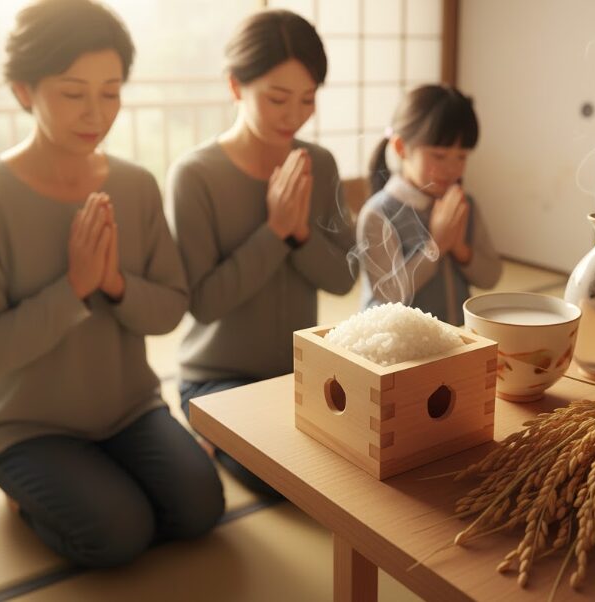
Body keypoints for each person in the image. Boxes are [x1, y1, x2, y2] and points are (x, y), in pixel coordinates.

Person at [0, 0, 224, 568]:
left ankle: (100, 482)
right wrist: (73, 288)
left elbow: (171, 307)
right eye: (73, 93)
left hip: (128, 409)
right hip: (26, 425)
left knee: (201, 508)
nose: (96, 113)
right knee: (119, 536)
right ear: (24, 91)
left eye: (111, 91)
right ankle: (26, 495)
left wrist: (115, 284)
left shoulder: (136, 186)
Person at [167, 9, 355, 496]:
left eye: (307, 99)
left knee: (363, 451)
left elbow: (343, 279)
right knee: (280, 480)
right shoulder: (195, 175)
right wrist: (275, 233)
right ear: (235, 86)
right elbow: (204, 303)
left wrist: (299, 235)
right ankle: (204, 431)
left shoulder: (320, 164)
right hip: (216, 380)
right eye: (276, 98)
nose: (293, 116)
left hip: (299, 374)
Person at [356, 84, 502, 325]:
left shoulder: (464, 205)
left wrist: (460, 250)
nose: (452, 168)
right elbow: (388, 295)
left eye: (462, 156)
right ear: (401, 148)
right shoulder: (378, 213)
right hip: (392, 340)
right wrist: (436, 247)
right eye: (439, 156)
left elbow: (491, 277)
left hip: (454, 335)